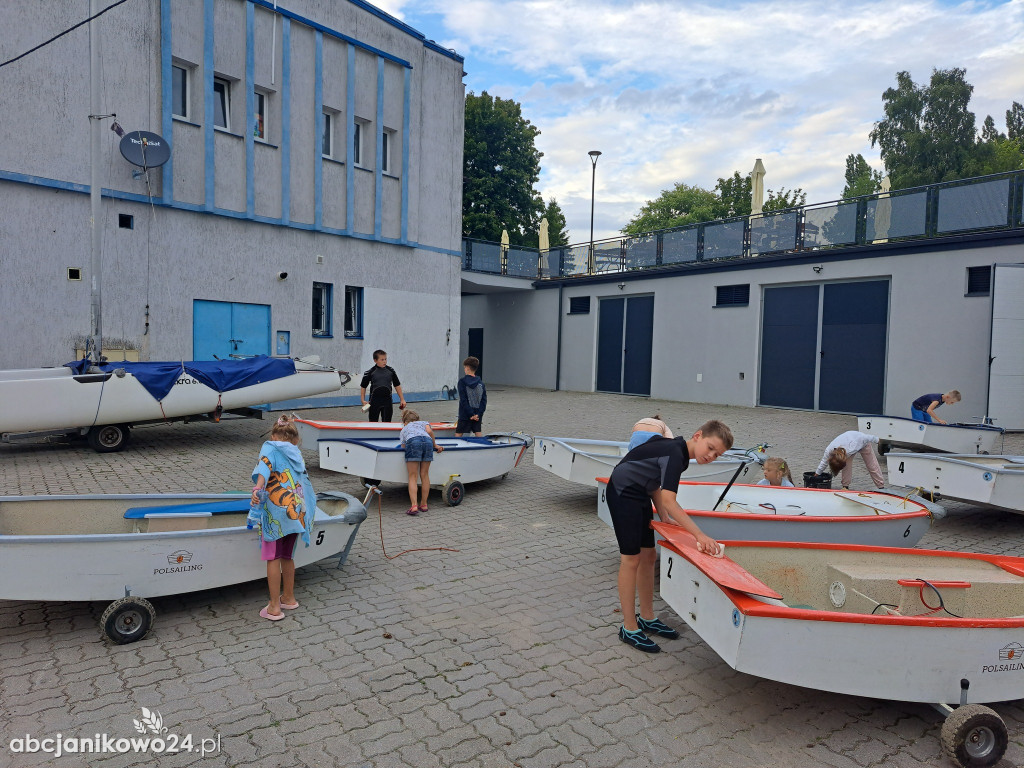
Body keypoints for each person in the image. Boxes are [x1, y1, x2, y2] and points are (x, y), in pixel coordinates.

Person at [607, 419, 733, 653]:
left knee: (648, 556)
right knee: (631, 559)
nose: (712, 456)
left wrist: (663, 516)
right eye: (711, 448)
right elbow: (669, 499)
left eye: (718, 455)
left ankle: (646, 617)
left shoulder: (677, 452)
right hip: (623, 493)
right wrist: (699, 535)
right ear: (698, 435)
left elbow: (654, 480)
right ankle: (629, 627)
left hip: (640, 493)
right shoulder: (675, 453)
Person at [248, 415, 316, 621]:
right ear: (295, 439)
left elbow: (264, 468)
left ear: (273, 434)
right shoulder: (296, 452)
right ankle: (289, 597)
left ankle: (274, 607)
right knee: (288, 556)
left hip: (276, 514)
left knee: (272, 558)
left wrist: (258, 489)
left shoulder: (269, 447)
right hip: (297, 513)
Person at [400, 409, 444, 515]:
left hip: (413, 442)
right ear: (417, 419)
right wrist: (435, 445)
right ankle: (424, 504)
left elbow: (403, 446)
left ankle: (414, 505)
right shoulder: (424, 423)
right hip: (428, 442)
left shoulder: (404, 429)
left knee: (413, 476)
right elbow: (429, 432)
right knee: (424, 474)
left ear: (405, 422)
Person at [816, 430, 885, 491]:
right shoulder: (829, 451)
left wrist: (879, 441)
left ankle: (881, 486)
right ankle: (845, 486)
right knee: (847, 467)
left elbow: (868, 437)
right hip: (846, 445)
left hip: (862, 443)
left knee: (872, 465)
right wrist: (816, 475)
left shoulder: (859, 440)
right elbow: (823, 463)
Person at [360, 349, 406, 422]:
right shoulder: (370, 372)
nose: (384, 361)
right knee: (373, 423)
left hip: (387, 401)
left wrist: (402, 399)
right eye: (382, 360)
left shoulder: (391, 371)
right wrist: (362, 400)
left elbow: (397, 385)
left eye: (385, 359)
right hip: (374, 401)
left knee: (387, 423)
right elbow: (363, 386)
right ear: (375, 360)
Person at [455, 356, 487, 437]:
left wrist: (470, 414)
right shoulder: (481, 383)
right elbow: (484, 401)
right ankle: (481, 448)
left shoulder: (462, 382)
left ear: (468, 367)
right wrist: (478, 414)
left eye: (465, 367)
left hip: (465, 413)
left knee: (458, 433)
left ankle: (456, 449)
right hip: (477, 415)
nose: (464, 369)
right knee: (478, 432)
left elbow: (463, 400)